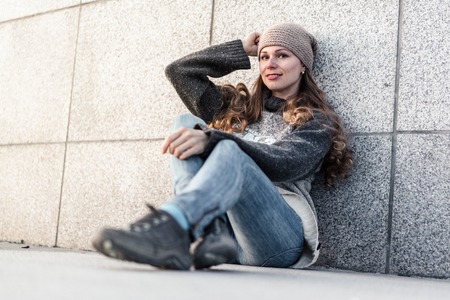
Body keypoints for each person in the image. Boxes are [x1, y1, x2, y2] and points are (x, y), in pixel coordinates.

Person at [92, 23, 353, 271]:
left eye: (282, 55)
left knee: (229, 150)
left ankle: (178, 226)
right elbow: (179, 72)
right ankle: (208, 229)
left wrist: (215, 139)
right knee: (186, 123)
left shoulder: (317, 120)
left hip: (277, 239)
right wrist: (241, 49)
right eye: (264, 57)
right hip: (226, 237)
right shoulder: (236, 108)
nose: (270, 64)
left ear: (303, 66)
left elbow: (285, 162)